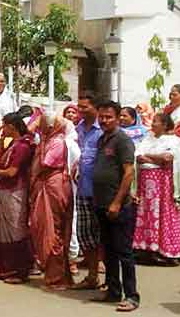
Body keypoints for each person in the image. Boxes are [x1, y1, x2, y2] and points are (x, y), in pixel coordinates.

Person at [92, 100, 139, 312]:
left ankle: (131, 296)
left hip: (118, 206)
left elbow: (129, 173)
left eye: (108, 116)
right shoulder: (102, 139)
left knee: (124, 252)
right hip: (101, 203)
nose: (104, 120)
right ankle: (113, 290)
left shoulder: (123, 141)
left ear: (117, 117)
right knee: (108, 251)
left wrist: (117, 202)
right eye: (101, 116)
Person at [0, 112, 35, 282]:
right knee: (4, 230)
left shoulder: (22, 146)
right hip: (6, 191)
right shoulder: (14, 144)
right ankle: (3, 268)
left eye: (4, 125)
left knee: (15, 230)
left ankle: (19, 271)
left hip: (14, 192)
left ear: (11, 127)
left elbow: (12, 171)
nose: (2, 129)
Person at [29, 112, 74, 290]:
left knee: (53, 231)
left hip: (54, 187)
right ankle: (54, 274)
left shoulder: (57, 142)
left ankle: (58, 278)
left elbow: (44, 164)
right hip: (47, 185)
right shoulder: (48, 140)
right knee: (44, 228)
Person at [132, 113, 180, 264]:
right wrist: (156, 158)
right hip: (146, 184)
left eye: (156, 121)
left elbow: (167, 158)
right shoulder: (146, 139)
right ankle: (146, 249)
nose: (153, 124)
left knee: (163, 213)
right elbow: (138, 156)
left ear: (165, 124)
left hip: (163, 184)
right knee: (146, 215)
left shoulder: (173, 141)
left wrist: (148, 157)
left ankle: (164, 250)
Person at [71, 94, 104, 291]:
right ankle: (91, 276)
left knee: (103, 236)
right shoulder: (79, 128)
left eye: (85, 107)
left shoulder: (104, 130)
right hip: (83, 188)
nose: (81, 110)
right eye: (79, 107)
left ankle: (110, 279)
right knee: (86, 236)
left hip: (101, 191)